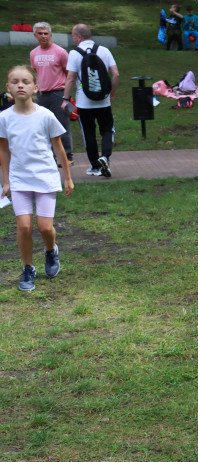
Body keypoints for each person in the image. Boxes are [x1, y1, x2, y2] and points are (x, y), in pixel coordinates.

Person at [0, 65, 74, 292]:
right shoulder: (4, 117)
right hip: (19, 178)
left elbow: (59, 148)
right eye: (15, 81)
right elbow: (3, 150)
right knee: (23, 227)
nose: (20, 85)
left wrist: (67, 177)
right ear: (8, 87)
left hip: (45, 177)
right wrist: (6, 180)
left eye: (25, 81)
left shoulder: (45, 115)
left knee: (44, 227)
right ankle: (28, 268)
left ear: (36, 87)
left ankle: (51, 251)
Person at [63, 23, 118, 178]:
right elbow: (116, 74)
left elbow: (70, 79)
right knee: (107, 130)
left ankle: (95, 166)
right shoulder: (104, 50)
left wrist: (66, 99)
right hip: (104, 101)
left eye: (73, 36)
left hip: (83, 103)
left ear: (79, 37)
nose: (73, 39)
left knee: (89, 134)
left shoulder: (74, 53)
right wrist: (111, 94)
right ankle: (105, 157)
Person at [30, 22, 74, 165]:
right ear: (35, 35)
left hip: (58, 93)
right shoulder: (34, 53)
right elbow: (36, 73)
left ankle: (67, 156)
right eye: (40, 33)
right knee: (42, 126)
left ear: (50, 35)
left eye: (46, 33)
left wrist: (66, 96)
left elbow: (69, 75)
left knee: (62, 125)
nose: (43, 36)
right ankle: (49, 156)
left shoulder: (60, 52)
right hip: (42, 95)